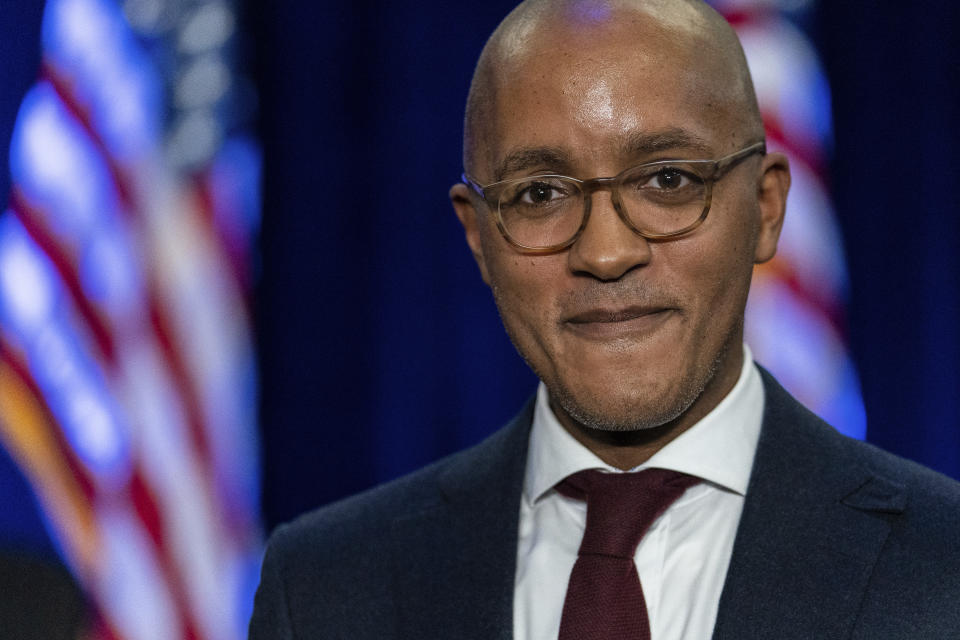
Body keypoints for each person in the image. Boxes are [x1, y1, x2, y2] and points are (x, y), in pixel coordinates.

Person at [249, 1, 960, 638]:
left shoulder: (943, 568)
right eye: (539, 194)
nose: (606, 252)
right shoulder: (322, 589)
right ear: (478, 238)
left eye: (668, 181)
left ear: (767, 209)